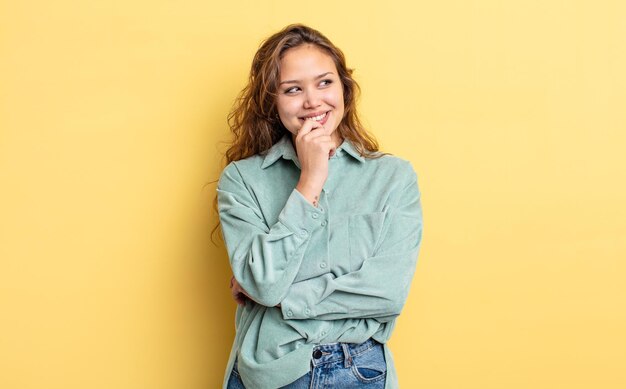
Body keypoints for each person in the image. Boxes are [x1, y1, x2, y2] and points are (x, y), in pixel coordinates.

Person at [214, 23, 423, 389]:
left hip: (361, 372)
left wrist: (281, 300)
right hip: (270, 372)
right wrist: (309, 180)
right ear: (272, 102)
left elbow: (388, 291)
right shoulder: (242, 180)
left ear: (345, 88)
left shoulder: (393, 177)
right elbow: (263, 285)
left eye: (324, 83)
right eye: (293, 89)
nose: (312, 102)